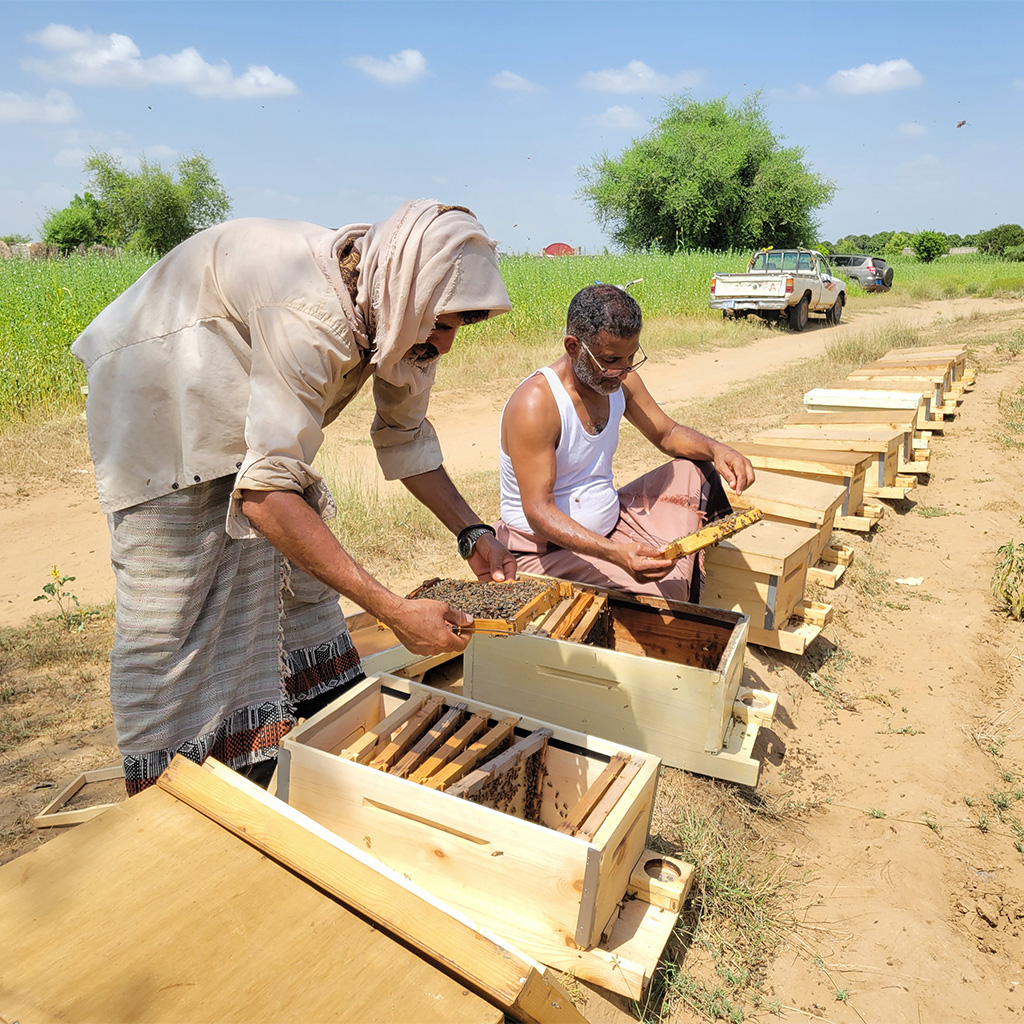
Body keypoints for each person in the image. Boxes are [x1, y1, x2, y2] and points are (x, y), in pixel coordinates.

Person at [72, 199, 516, 794]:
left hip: (234, 371)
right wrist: (390, 609)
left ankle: (303, 727)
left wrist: (472, 532)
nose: (446, 342)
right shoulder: (314, 313)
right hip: (158, 377)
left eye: (457, 327)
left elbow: (404, 435)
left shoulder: (400, 314)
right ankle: (178, 783)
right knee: (180, 606)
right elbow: (263, 494)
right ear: (409, 293)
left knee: (282, 573)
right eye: (441, 324)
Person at [496, 283, 754, 603]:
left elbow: (667, 434)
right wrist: (616, 554)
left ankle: (695, 570)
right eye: (611, 359)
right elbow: (538, 512)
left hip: (612, 524)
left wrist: (718, 450)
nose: (623, 371)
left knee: (696, 470)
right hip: (548, 549)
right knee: (665, 596)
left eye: (631, 357)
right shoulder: (537, 403)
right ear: (573, 346)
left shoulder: (621, 379)